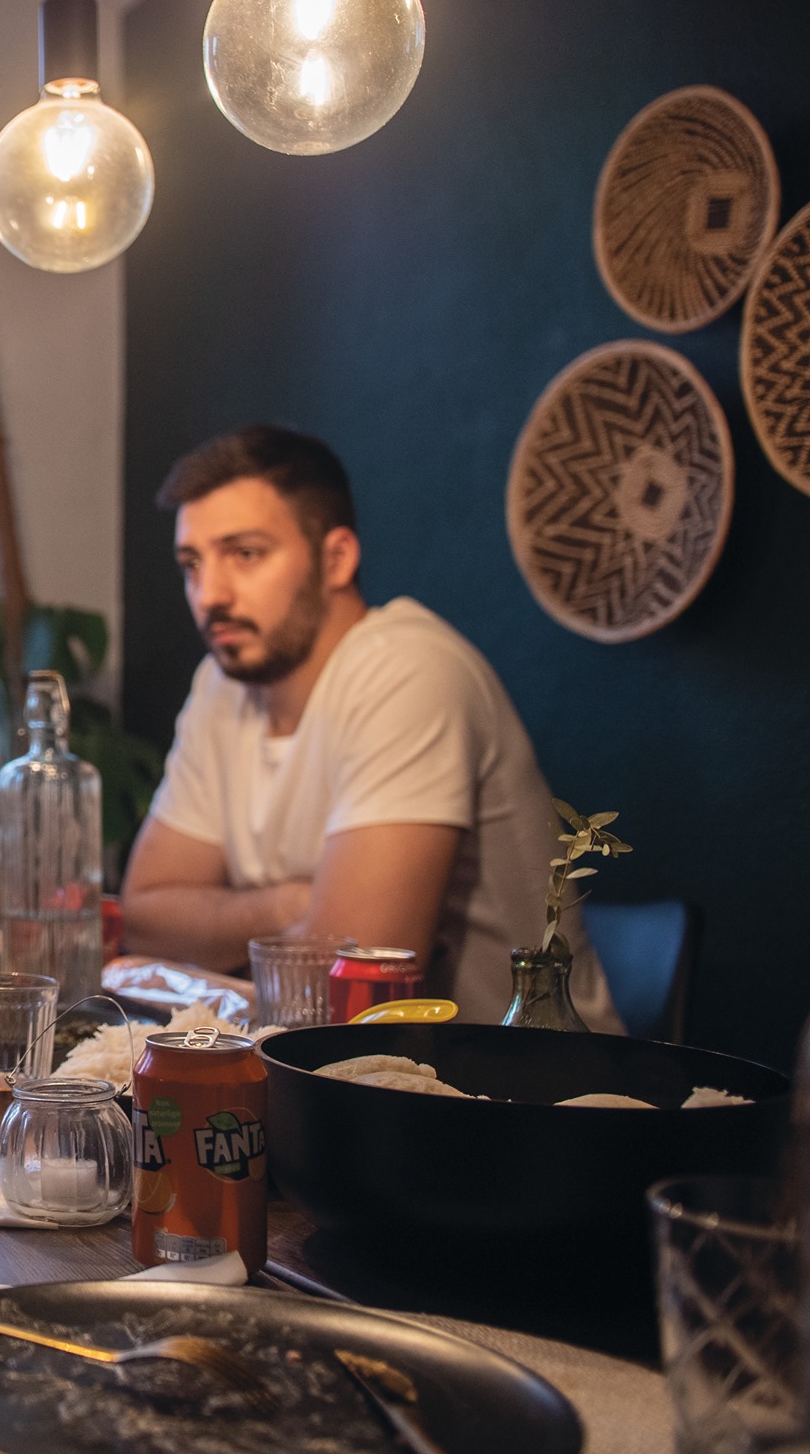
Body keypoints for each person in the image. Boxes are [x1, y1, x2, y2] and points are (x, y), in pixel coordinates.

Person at [119, 425, 620, 1028]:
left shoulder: (407, 669)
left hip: (519, 1091)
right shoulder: (221, 685)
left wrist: (265, 930)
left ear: (336, 558)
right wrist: (293, 906)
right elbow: (145, 916)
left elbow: (357, 979)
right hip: (351, 1083)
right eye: (192, 564)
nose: (210, 594)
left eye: (245, 554)